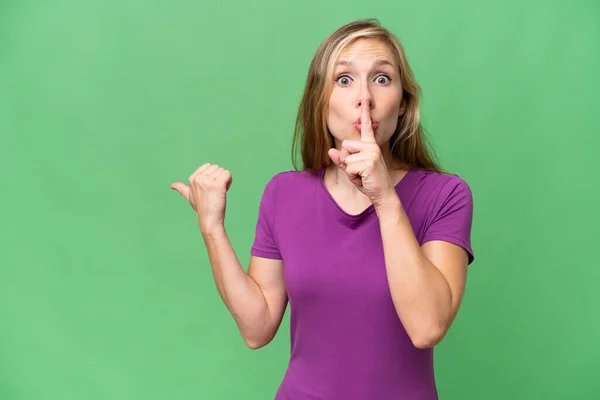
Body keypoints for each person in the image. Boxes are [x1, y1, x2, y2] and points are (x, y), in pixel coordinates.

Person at [171, 18, 474, 400]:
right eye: (344, 80)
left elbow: (427, 327)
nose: (364, 97)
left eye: (382, 79)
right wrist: (212, 228)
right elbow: (257, 327)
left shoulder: (446, 195)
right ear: (321, 101)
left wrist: (384, 199)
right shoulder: (284, 192)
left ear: (403, 105)